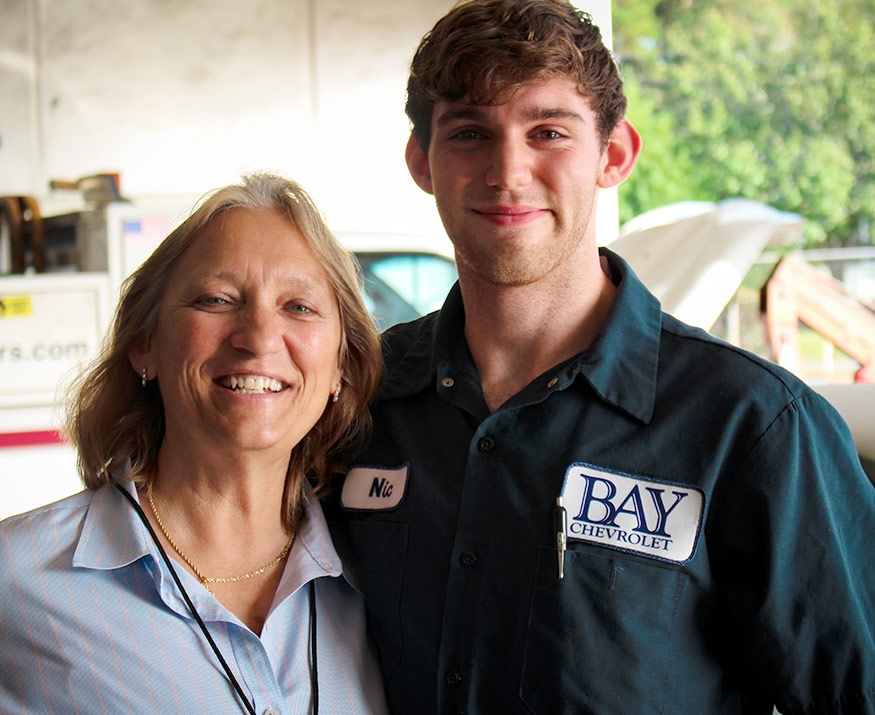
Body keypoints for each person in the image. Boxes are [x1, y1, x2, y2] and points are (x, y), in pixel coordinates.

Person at [329, 1, 875, 713]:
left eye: (547, 131)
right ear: (421, 162)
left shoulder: (752, 424)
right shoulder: (360, 401)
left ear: (613, 155)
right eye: (468, 132)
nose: (507, 171)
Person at [0, 171, 388, 714]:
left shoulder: (383, 573)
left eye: (298, 306)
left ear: (340, 370)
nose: (257, 337)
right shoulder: (15, 580)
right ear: (144, 346)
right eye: (216, 299)